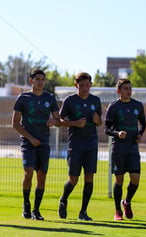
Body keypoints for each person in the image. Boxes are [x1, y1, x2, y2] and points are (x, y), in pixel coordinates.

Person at [12, 69, 60, 220]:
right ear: (31, 80)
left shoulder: (49, 98)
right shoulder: (23, 98)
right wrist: (30, 138)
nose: (40, 82)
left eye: (43, 79)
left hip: (44, 142)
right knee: (28, 172)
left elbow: (58, 120)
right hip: (28, 142)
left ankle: (36, 210)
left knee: (42, 175)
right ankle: (26, 205)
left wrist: (53, 121)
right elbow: (15, 123)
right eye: (37, 79)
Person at [58, 72, 102, 221]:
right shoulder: (69, 100)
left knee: (89, 178)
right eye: (81, 85)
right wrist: (75, 123)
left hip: (91, 145)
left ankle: (83, 212)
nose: (84, 87)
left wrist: (97, 121)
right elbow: (59, 120)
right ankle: (63, 199)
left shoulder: (96, 100)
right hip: (75, 145)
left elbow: (99, 121)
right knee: (73, 179)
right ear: (76, 85)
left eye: (87, 85)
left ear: (91, 85)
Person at [105, 79, 146, 220]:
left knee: (135, 179)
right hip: (118, 149)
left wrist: (140, 134)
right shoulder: (113, 107)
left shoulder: (138, 105)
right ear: (119, 91)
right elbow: (107, 129)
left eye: (130, 88)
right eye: (125, 88)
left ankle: (127, 201)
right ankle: (117, 211)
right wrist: (117, 133)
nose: (129, 91)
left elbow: (143, 123)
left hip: (133, 149)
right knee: (119, 180)